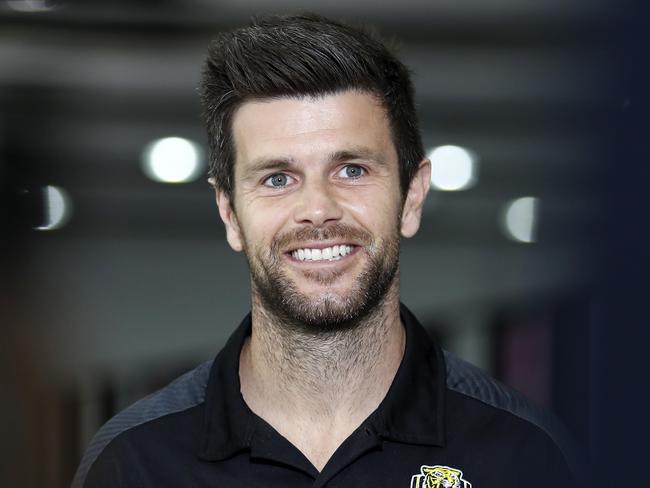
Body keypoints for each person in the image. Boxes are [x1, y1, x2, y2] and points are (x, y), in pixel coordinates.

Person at [72, 13, 580, 488]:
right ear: (229, 213)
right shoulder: (135, 460)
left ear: (413, 196)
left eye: (352, 170)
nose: (317, 209)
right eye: (277, 178)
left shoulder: (526, 454)